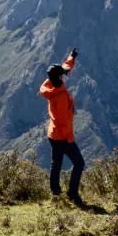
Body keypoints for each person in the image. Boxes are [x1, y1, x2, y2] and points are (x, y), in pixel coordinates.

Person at [39, 47, 85, 205]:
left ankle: (55, 192)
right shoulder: (60, 98)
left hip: (52, 134)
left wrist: (72, 58)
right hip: (62, 136)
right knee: (79, 163)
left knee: (56, 163)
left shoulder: (49, 86)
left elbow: (64, 68)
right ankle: (72, 193)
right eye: (62, 75)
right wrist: (70, 138)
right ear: (59, 78)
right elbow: (63, 121)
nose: (65, 76)